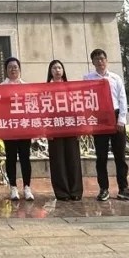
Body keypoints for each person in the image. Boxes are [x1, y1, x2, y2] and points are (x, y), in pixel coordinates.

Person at [84, 48, 129, 202]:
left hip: (116, 117)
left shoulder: (115, 78)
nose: (100, 61)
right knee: (101, 157)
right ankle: (104, 189)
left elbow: (122, 99)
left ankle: (123, 188)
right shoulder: (88, 79)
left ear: (106, 60)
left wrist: (121, 119)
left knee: (120, 156)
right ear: (92, 62)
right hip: (99, 118)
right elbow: (85, 100)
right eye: (96, 59)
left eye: (102, 58)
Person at [46, 59, 84, 201]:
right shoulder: (45, 89)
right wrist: (47, 130)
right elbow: (43, 111)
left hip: (71, 125)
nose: (57, 70)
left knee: (73, 159)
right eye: (54, 68)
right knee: (58, 160)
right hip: (54, 127)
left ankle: (75, 190)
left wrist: (79, 128)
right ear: (50, 72)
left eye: (59, 68)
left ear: (63, 71)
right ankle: (62, 192)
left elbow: (77, 107)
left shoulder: (70, 87)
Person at [0, 56, 34, 200]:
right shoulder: (1, 87)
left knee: (25, 157)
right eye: (10, 67)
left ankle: (27, 187)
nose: (13, 69)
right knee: (11, 158)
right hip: (9, 128)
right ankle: (13, 187)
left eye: (15, 67)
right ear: (6, 70)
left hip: (24, 127)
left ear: (19, 69)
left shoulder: (26, 87)